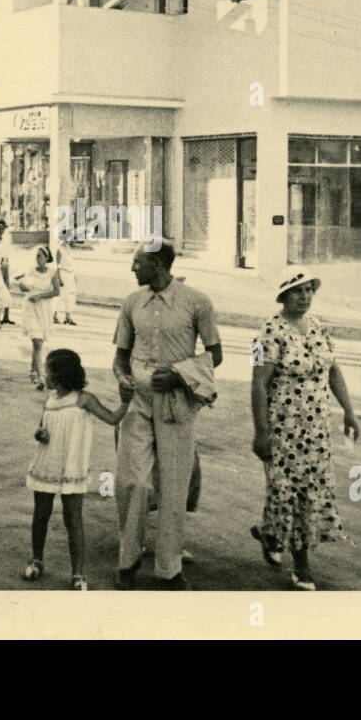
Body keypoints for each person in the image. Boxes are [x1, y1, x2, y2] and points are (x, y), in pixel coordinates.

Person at [112, 239, 222, 590]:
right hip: (139, 402)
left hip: (176, 401)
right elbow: (120, 356)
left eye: (138, 262)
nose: (133, 268)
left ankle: (168, 569)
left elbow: (215, 354)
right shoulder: (132, 302)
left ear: (158, 265)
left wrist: (178, 373)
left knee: (174, 485)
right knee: (134, 482)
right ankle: (127, 561)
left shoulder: (196, 302)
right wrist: (123, 379)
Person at [250, 265, 360, 590]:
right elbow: (258, 385)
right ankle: (301, 567)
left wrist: (349, 412)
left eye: (309, 290)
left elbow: (334, 371)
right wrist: (260, 433)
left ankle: (270, 534)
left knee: (309, 493)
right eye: (298, 290)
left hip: (317, 432)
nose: (305, 296)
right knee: (291, 494)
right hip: (283, 430)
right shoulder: (266, 333)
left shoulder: (319, 329)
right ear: (283, 295)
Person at [23, 349, 131, 590]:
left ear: (60, 375)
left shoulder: (84, 399)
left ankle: (78, 573)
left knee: (74, 520)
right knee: (41, 515)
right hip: (47, 465)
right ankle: (36, 559)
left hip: (72, 466)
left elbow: (113, 419)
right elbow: (42, 429)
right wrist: (39, 434)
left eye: (48, 371)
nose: (45, 375)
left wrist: (126, 401)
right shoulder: (49, 400)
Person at [16, 246, 60, 389]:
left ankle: (33, 370)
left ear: (47, 258)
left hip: (44, 309)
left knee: (39, 342)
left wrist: (40, 295)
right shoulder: (30, 270)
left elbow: (56, 291)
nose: (38, 259)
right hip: (30, 307)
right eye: (36, 256)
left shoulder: (53, 272)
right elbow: (23, 286)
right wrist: (21, 285)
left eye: (40, 256)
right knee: (37, 342)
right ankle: (42, 378)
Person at [53, 232, 78, 325]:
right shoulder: (59, 249)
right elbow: (57, 265)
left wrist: (74, 275)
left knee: (70, 296)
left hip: (70, 275)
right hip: (63, 273)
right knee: (60, 296)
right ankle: (54, 316)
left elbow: (72, 263)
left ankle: (68, 317)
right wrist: (59, 278)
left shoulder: (69, 249)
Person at [0, 220, 16, 325]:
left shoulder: (6, 239)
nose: (1, 230)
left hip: (6, 266)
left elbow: (7, 253)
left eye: (3, 228)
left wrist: (7, 263)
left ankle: (6, 316)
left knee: (6, 290)